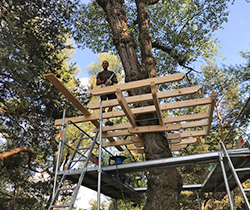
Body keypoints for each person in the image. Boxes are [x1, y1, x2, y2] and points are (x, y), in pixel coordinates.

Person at [96, 60, 118, 126]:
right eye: (103, 64)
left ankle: (108, 118)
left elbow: (116, 81)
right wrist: (103, 81)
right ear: (102, 65)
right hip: (104, 89)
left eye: (106, 64)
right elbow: (97, 82)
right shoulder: (100, 74)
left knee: (112, 103)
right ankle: (102, 114)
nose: (104, 65)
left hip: (111, 89)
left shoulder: (112, 73)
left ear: (108, 65)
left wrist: (111, 80)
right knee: (103, 101)